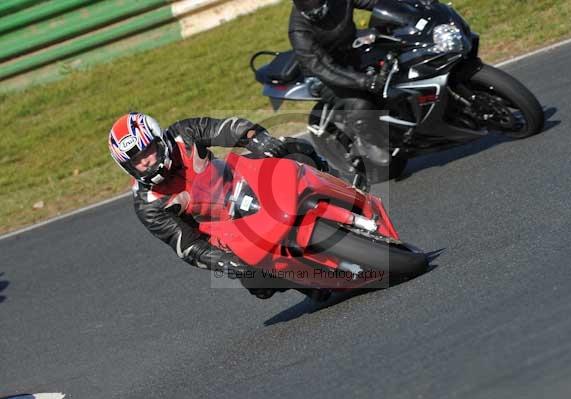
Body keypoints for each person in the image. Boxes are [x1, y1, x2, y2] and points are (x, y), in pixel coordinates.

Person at [108, 112, 326, 299]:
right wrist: (226, 264)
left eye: (147, 151)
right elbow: (187, 245)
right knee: (258, 284)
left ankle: (332, 179)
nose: (145, 161)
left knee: (289, 148)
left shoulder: (183, 135)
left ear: (158, 140)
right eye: (136, 160)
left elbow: (227, 128)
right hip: (224, 231)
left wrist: (257, 138)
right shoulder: (148, 205)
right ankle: (304, 281)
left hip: (241, 181)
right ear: (127, 167)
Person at [289, 0, 391, 166]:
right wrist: (364, 81)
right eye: (310, 14)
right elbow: (324, 68)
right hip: (322, 76)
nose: (317, 15)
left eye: (320, 9)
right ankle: (367, 142)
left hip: (351, 53)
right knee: (360, 103)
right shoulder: (299, 30)